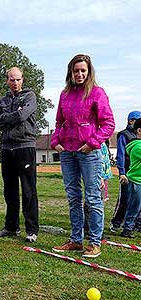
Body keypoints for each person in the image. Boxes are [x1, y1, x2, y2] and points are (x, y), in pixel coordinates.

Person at [51, 54, 115, 258]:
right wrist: (55, 143)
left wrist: (92, 143)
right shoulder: (65, 94)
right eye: (76, 70)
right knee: (73, 197)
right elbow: (59, 122)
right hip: (67, 153)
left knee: (93, 198)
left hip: (89, 153)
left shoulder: (97, 93)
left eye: (83, 70)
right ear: (70, 72)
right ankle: (76, 240)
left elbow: (108, 124)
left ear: (89, 72)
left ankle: (95, 242)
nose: (79, 74)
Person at [0, 66, 39, 243]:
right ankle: (11, 227)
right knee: (9, 190)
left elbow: (22, 116)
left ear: (22, 80)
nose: (15, 82)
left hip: (24, 147)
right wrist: (12, 116)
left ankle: (32, 230)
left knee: (28, 190)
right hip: (6, 148)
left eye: (18, 79)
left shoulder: (30, 96)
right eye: (12, 79)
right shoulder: (2, 101)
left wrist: (6, 118)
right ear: (7, 81)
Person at [109, 111, 141, 233]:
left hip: (137, 171)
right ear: (131, 121)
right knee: (125, 199)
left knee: (137, 202)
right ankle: (116, 223)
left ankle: (136, 225)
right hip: (128, 172)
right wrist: (122, 172)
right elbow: (121, 155)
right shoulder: (124, 135)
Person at [121, 118, 141, 238]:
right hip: (136, 181)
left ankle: (135, 226)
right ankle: (127, 228)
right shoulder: (137, 147)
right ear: (139, 130)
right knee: (135, 206)